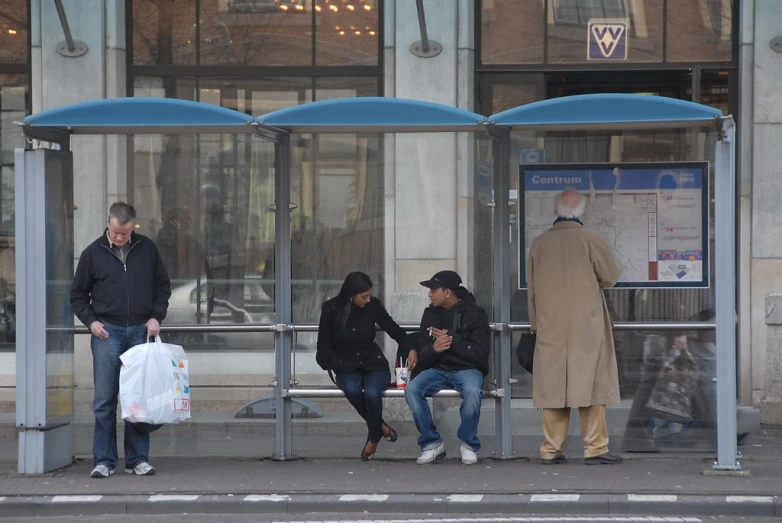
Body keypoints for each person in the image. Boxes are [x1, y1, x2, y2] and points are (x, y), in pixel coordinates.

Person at [70, 202, 171, 478]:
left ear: (133, 227)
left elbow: (162, 286)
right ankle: (103, 461)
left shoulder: (147, 249)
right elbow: (78, 295)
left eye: (125, 234)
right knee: (104, 400)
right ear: (108, 223)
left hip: (141, 331)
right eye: (115, 232)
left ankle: (137, 459)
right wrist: (91, 322)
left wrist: (156, 317)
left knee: (138, 400)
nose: (119, 238)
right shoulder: (92, 253)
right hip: (107, 334)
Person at [527, 189, 624, 465]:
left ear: (555, 210)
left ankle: (551, 448)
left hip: (550, 324)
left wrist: (536, 324)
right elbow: (610, 276)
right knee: (592, 385)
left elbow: (531, 291)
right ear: (582, 211)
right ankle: (595, 448)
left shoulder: (539, 244)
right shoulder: (592, 240)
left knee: (553, 387)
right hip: (587, 324)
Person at [316, 272, 410, 461]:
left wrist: (411, 347)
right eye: (363, 296)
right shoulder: (331, 308)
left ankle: (374, 437)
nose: (368, 300)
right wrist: (337, 364)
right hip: (346, 365)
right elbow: (323, 346)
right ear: (351, 294)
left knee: (372, 392)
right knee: (352, 389)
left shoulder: (372, 305)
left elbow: (393, 329)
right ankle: (381, 427)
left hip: (373, 362)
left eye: (369, 295)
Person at [405, 270, 491, 465]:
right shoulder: (430, 313)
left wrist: (453, 339)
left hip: (467, 369)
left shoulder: (476, 314)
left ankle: (468, 444)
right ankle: (432, 443)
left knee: (472, 391)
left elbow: (480, 353)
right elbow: (423, 349)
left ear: (447, 292)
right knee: (412, 389)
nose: (430, 294)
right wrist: (434, 349)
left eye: (434, 290)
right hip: (438, 368)